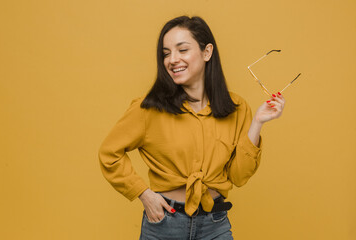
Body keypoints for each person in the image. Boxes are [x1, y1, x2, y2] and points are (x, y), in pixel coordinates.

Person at [98, 16, 285, 240]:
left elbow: (238, 176)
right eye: (166, 53)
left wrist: (258, 123)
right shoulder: (148, 108)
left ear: (207, 52)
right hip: (164, 223)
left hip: (215, 224)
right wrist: (144, 194)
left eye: (182, 50)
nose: (172, 60)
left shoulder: (236, 109)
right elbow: (109, 154)